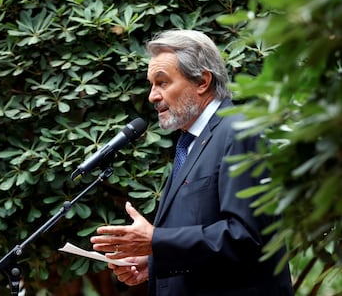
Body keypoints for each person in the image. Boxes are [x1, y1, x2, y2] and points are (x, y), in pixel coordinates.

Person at [90, 29, 294, 296]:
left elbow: (247, 236)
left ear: (202, 81)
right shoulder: (190, 143)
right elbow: (200, 232)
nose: (152, 96)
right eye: (152, 84)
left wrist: (156, 242)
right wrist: (154, 261)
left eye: (162, 82)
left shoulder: (240, 130)